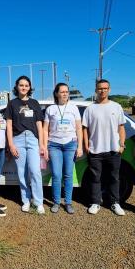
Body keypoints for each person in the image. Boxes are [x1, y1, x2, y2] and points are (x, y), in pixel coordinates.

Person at [82, 79, 126, 216]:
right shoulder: (90, 109)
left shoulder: (117, 107)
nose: (103, 90)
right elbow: (85, 129)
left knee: (114, 177)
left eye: (105, 88)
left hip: (113, 149)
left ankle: (115, 203)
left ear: (109, 89)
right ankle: (95, 202)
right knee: (95, 178)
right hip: (95, 150)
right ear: (96, 90)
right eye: (100, 88)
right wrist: (86, 145)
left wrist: (122, 145)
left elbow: (121, 128)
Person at [5, 75, 45, 214]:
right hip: (18, 140)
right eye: (21, 85)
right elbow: (9, 125)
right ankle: (26, 200)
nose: (24, 87)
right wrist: (11, 145)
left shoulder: (34, 103)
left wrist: (42, 143)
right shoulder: (12, 104)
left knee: (35, 171)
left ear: (30, 87)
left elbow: (39, 124)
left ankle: (38, 202)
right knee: (21, 173)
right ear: (17, 87)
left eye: (26, 85)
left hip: (33, 139)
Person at [43, 83, 83, 214]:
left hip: (70, 144)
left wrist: (80, 147)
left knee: (68, 174)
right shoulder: (51, 109)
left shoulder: (74, 108)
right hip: (54, 144)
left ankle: (68, 202)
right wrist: (44, 147)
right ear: (56, 93)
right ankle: (56, 202)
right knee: (56, 174)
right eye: (62, 91)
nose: (65, 94)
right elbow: (45, 129)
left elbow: (78, 128)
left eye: (67, 91)